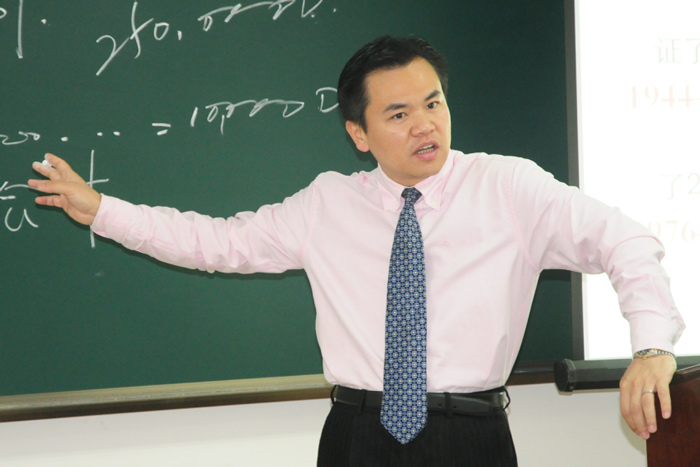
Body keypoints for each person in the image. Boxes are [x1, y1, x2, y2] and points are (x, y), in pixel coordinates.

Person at [28, 36, 683, 466]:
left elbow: (626, 240)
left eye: (433, 103)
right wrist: (103, 210)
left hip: (471, 435)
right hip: (356, 435)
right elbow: (218, 242)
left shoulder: (509, 186)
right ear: (358, 133)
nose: (425, 124)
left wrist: (652, 348)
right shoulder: (327, 202)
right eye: (398, 114)